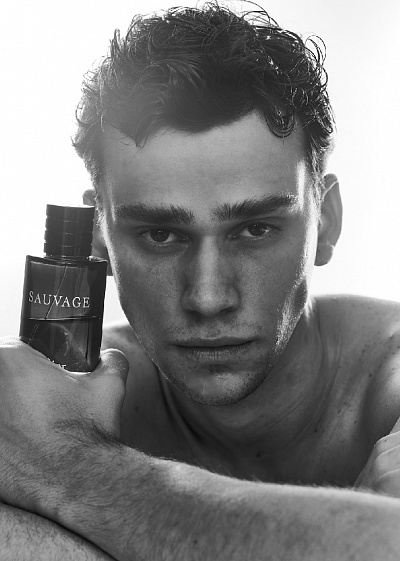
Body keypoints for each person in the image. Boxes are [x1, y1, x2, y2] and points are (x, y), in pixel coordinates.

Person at [1, 3, 400, 559]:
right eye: (160, 235)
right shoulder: (44, 405)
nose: (208, 297)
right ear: (100, 239)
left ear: (326, 222)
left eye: (255, 229)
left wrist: (73, 467)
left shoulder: (391, 372)